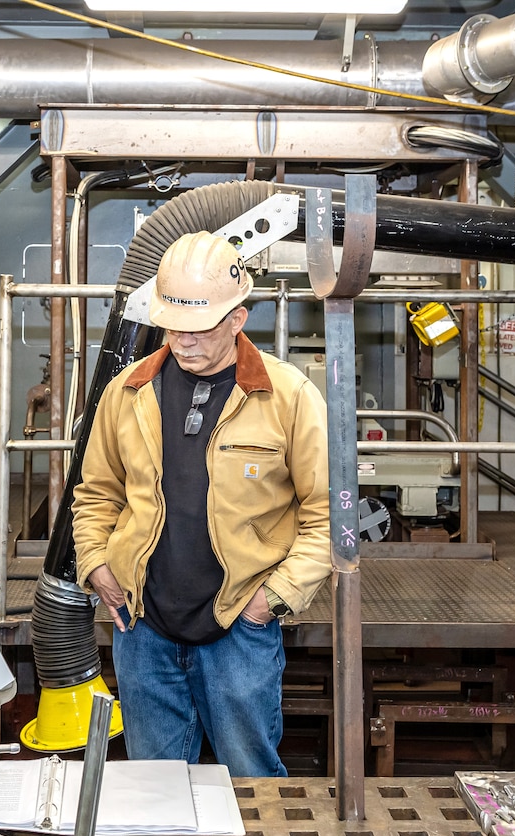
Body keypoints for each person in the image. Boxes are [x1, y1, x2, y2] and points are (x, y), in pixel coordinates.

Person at [73, 231, 332, 778]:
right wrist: (95, 563)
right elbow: (96, 494)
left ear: (238, 320)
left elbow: (329, 516)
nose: (183, 342)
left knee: (253, 779)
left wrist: (274, 598)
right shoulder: (127, 392)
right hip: (142, 628)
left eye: (199, 328)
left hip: (239, 626)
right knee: (155, 786)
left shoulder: (288, 397)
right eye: (173, 326)